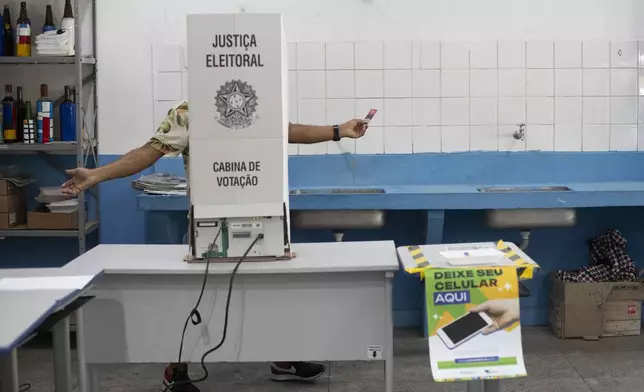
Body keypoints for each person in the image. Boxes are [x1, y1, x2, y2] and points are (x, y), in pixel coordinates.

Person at [61, 101, 369, 392]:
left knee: (275, 290)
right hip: (209, 223)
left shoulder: (256, 104)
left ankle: (284, 358)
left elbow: (288, 131)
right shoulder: (188, 112)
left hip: (263, 217)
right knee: (198, 297)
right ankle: (176, 371)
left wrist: (338, 130)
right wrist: (96, 175)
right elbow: (147, 153)